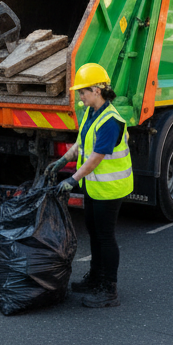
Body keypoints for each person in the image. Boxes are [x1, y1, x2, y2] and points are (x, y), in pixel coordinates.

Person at [46, 63, 133, 308]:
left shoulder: (111, 121)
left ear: (97, 90)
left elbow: (96, 157)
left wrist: (72, 179)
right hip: (95, 187)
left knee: (105, 236)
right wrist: (63, 159)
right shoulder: (91, 113)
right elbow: (81, 145)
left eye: (83, 91)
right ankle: (95, 278)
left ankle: (109, 289)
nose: (80, 96)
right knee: (94, 233)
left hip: (110, 188)